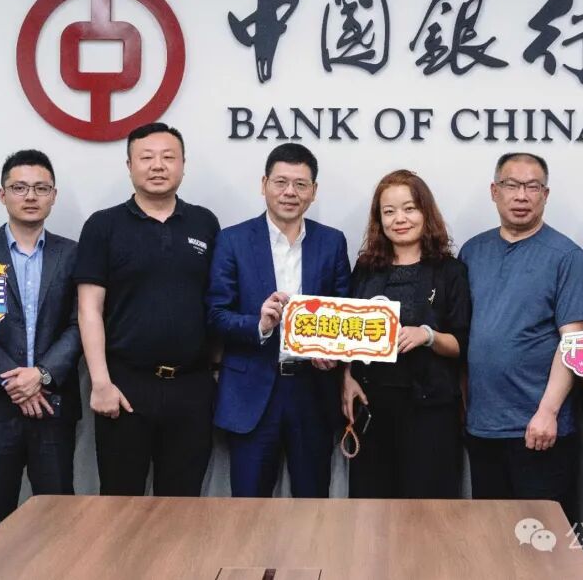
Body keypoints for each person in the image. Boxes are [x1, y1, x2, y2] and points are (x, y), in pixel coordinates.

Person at [74, 123, 220, 496]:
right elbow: (89, 309)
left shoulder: (204, 223)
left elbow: (217, 300)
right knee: (120, 503)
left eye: (168, 157)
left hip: (192, 386)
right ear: (129, 166)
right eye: (147, 157)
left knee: (183, 504)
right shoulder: (103, 225)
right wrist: (101, 382)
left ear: (183, 165)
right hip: (125, 384)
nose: (158, 166)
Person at [458, 152, 583, 521]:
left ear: (545, 194)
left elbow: (573, 342)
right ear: (494, 191)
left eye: (532, 187)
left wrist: (548, 412)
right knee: (492, 536)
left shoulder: (566, 256)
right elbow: (465, 335)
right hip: (483, 428)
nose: (521, 195)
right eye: (511, 185)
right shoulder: (472, 252)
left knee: (543, 540)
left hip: (540, 429)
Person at [208, 143, 350, 497]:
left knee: (313, 506)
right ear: (264, 184)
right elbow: (216, 315)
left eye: (301, 184)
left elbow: (344, 314)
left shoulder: (332, 242)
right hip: (252, 391)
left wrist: (332, 352)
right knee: (249, 506)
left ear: (313, 191)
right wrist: (259, 325)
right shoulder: (233, 240)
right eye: (281, 182)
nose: (290, 192)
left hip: (312, 391)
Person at [0, 150, 81, 541]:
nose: (30, 196)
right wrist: (14, 381)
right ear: (2, 194)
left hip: (53, 403)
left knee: (59, 520)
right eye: (20, 187)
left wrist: (41, 374)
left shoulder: (73, 253)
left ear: (54, 195)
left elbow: (80, 323)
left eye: (41, 188)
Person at [341, 170, 470, 499]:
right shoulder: (366, 268)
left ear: (426, 212)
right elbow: (347, 333)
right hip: (372, 408)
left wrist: (428, 335)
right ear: (379, 219)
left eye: (409, 208)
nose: (399, 219)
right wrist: (347, 377)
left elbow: (462, 344)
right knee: (370, 513)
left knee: (428, 513)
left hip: (430, 412)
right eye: (389, 211)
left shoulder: (450, 271)